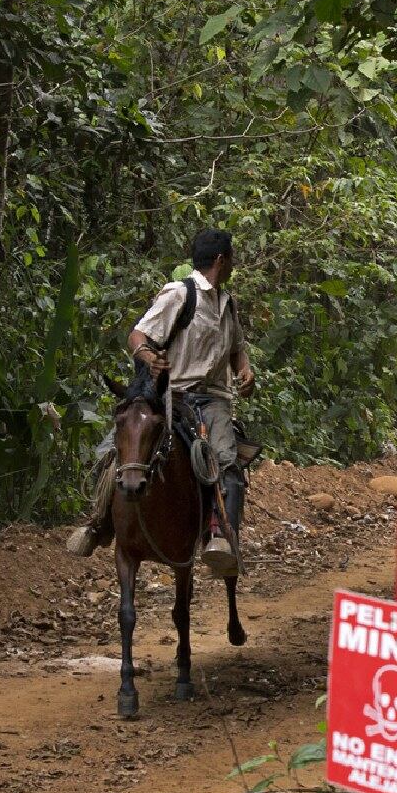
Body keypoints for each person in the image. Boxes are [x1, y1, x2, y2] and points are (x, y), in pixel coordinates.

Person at [128, 229, 256, 577]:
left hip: (214, 401)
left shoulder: (228, 304)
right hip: (175, 394)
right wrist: (148, 357)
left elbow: (237, 350)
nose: (233, 264)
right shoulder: (179, 294)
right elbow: (138, 335)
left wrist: (244, 371)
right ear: (221, 260)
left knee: (228, 462)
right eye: (232, 258)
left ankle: (223, 538)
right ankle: (98, 522)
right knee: (122, 450)